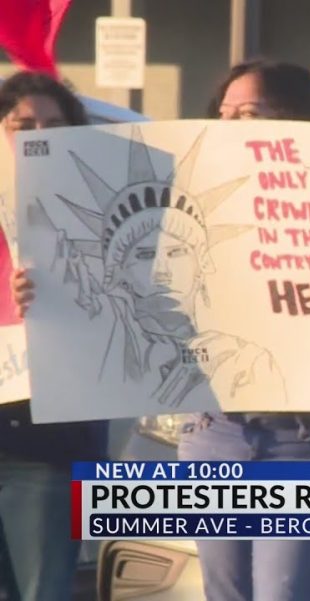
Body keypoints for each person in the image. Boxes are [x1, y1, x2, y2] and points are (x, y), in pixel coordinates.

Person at [15, 59, 310, 601]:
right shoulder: (178, 213)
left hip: (308, 443)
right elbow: (102, 283)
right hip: (214, 435)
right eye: (224, 113)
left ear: (296, 122)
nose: (229, 124)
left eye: (248, 113)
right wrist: (41, 292)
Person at [0, 70, 109, 601]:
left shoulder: (102, 208)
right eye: (22, 124)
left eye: (52, 123)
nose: (36, 134)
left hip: (48, 447)